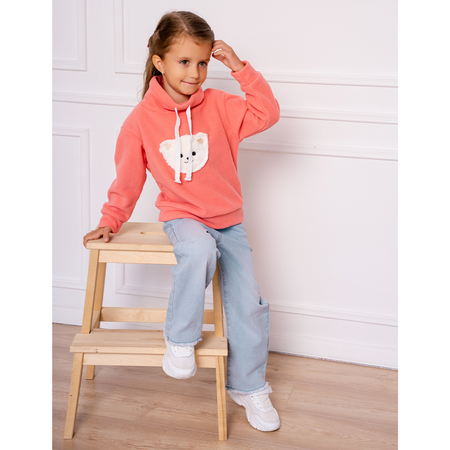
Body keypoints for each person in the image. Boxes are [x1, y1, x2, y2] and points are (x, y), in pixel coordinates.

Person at [83, 11, 281, 432]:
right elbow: (128, 179)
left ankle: (248, 387)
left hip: (229, 221)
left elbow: (267, 113)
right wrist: (111, 219)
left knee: (249, 303)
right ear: (159, 61)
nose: (195, 73)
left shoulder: (222, 106)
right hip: (183, 215)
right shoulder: (140, 120)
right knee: (197, 249)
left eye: (203, 62)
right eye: (184, 62)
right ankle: (180, 339)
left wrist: (240, 68)